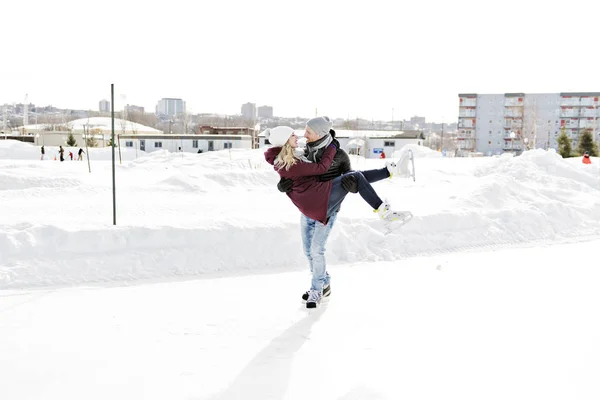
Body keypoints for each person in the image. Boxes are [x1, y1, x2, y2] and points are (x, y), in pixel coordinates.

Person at [264, 119, 410, 308]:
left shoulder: (338, 154)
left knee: (316, 251)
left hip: (328, 206)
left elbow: (355, 179)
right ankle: (323, 284)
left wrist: (354, 186)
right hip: (308, 207)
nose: (303, 135)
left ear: (320, 133)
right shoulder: (305, 151)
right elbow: (288, 165)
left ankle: (317, 288)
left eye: (308, 131)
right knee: (309, 252)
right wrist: (284, 183)